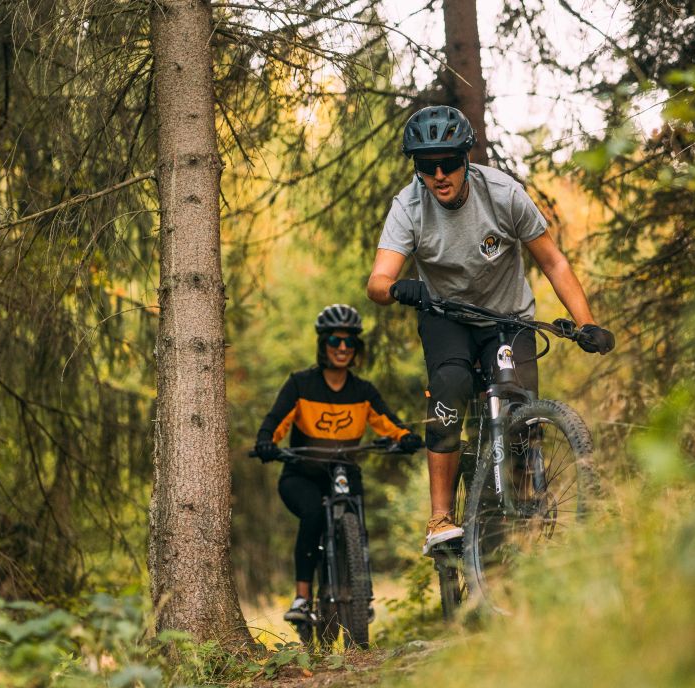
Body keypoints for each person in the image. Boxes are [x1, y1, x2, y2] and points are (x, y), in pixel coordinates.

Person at [366, 105, 614, 555]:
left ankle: (514, 533)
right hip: (446, 317)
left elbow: (553, 261)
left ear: (466, 159)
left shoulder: (503, 194)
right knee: (450, 383)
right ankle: (440, 516)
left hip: (508, 318)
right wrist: (399, 288)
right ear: (417, 168)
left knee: (520, 414)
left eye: (448, 163)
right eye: (426, 166)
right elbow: (377, 282)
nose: (439, 174)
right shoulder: (409, 206)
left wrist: (587, 323)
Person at [254, 303, 423, 623]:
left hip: (344, 472)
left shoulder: (363, 391)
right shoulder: (300, 384)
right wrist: (266, 442)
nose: (342, 348)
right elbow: (275, 420)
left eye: (349, 342)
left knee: (356, 519)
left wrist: (405, 437)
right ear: (323, 345)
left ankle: (361, 594)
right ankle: (302, 598)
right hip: (301, 475)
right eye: (335, 341)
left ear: (356, 348)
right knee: (314, 514)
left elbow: (389, 422)